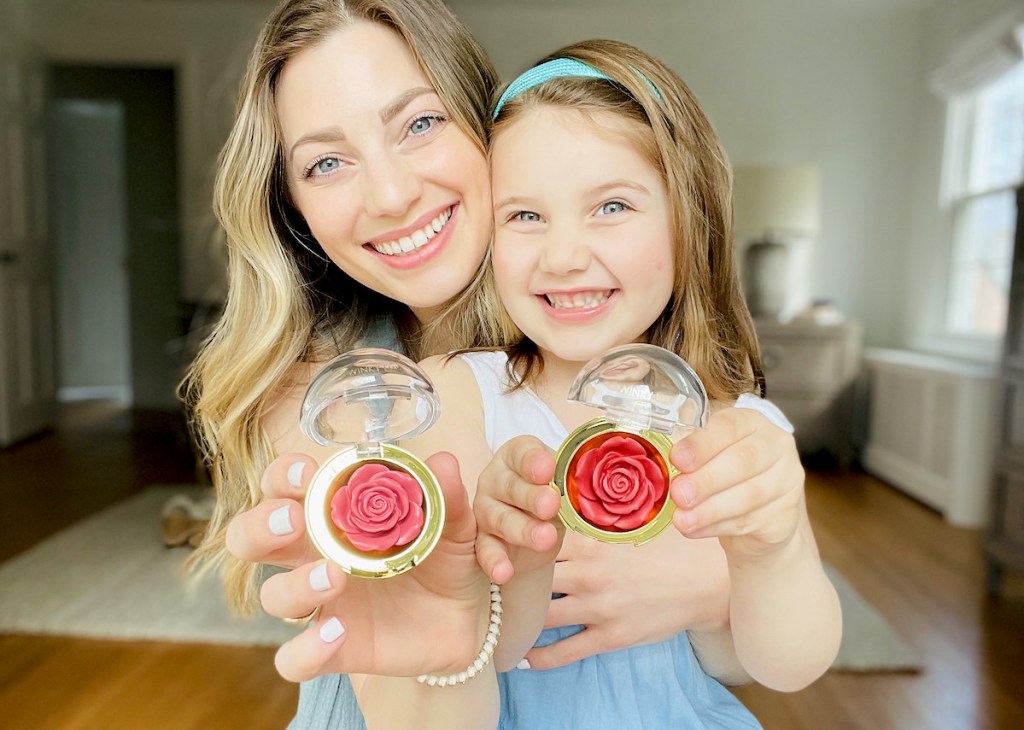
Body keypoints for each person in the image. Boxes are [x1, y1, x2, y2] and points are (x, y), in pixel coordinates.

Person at [183, 1, 739, 727]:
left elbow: (753, 636)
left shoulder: (629, 348)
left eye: (418, 123)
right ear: (293, 209)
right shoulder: (325, 401)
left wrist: (726, 583)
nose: (390, 196)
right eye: (325, 163)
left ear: (488, 127)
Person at [400, 39, 843, 727]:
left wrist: (769, 552)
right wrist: (521, 557)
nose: (565, 256)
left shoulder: (735, 431)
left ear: (686, 220)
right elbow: (487, 651)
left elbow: (772, 666)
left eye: (611, 206)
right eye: (525, 215)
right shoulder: (458, 392)